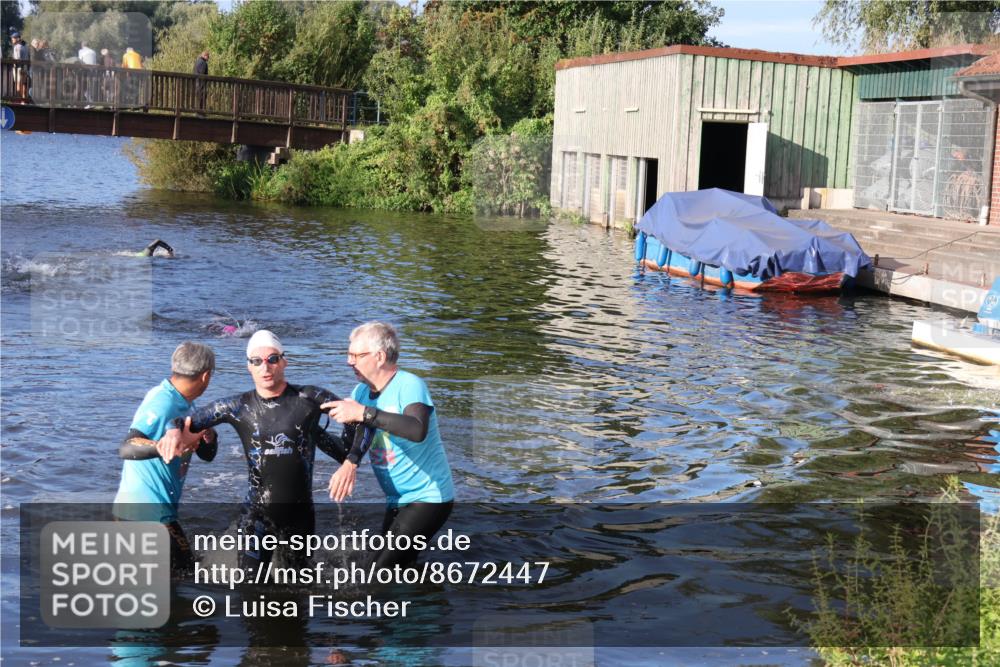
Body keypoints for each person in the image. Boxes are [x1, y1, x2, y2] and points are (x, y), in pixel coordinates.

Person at [160, 330, 373, 567]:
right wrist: (172, 430)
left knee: (299, 588)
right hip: (256, 516)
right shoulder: (236, 406)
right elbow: (186, 421)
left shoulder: (309, 398)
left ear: (284, 361)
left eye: (272, 359)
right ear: (249, 366)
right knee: (249, 589)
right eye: (257, 361)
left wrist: (350, 462)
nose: (265, 367)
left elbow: (363, 423)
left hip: (299, 516)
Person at [324, 322, 455, 568]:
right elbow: (350, 449)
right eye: (348, 354)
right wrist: (311, 432)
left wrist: (363, 413)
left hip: (428, 497)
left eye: (356, 355)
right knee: (399, 568)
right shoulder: (361, 392)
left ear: (380, 357)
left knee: (379, 572)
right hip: (396, 499)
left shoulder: (409, 385)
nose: (349, 361)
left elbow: (417, 429)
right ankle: (421, 601)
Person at [113, 342, 219, 572]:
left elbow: (207, 455)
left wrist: (209, 437)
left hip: (153, 512)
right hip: (144, 513)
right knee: (184, 577)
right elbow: (127, 447)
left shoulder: (186, 404)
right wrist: (163, 447)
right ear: (206, 376)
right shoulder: (163, 402)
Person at [10, 33, 29, 100]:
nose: (12, 39)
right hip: (25, 67)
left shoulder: (17, 47)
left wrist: (12, 61)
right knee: (24, 83)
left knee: (18, 83)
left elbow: (17, 59)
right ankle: (23, 100)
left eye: (13, 38)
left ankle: (19, 99)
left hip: (19, 68)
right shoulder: (25, 46)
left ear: (17, 39)